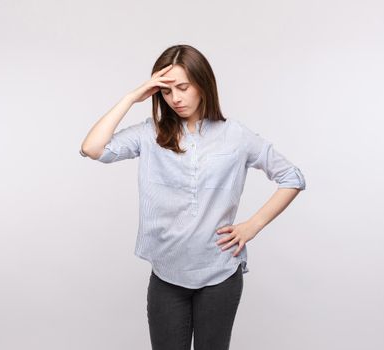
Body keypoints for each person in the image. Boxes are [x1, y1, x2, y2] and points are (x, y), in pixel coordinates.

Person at [79, 44, 306, 350]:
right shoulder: (151, 134)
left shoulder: (236, 136)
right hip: (167, 277)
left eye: (183, 87)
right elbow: (92, 148)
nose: (175, 98)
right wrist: (133, 96)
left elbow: (292, 177)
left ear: (203, 84)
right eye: (166, 91)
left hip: (220, 275)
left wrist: (251, 226)